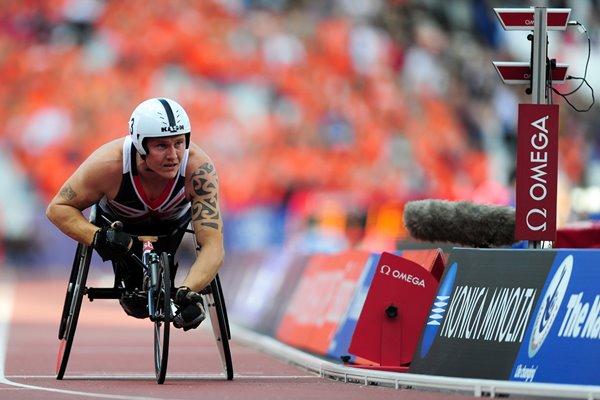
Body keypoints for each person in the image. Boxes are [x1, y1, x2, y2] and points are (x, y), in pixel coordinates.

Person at [46, 97, 224, 331]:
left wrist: (187, 291)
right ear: (140, 145)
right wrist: (98, 236)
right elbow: (57, 208)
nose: (173, 155)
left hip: (170, 231)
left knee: (165, 296)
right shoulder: (108, 164)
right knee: (135, 302)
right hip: (120, 234)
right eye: (161, 146)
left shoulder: (199, 170)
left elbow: (213, 246)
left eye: (179, 143)